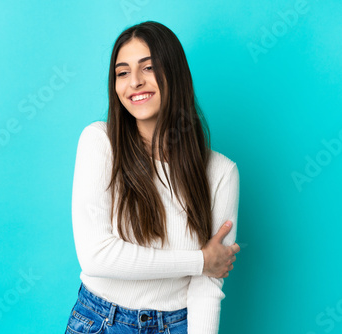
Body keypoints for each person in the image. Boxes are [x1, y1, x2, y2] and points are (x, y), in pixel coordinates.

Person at [65, 21, 240, 334]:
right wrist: (200, 260)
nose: (134, 81)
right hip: (102, 321)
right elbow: (96, 256)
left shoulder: (220, 172)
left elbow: (207, 288)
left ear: (174, 73)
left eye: (148, 68)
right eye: (122, 72)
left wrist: (205, 267)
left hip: (176, 324)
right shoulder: (99, 142)